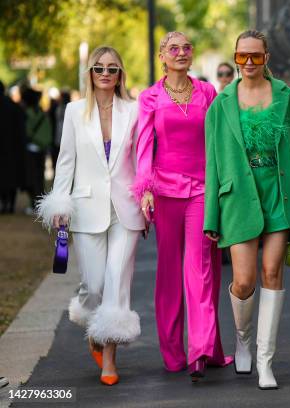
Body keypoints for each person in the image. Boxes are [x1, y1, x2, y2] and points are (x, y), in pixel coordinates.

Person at [204, 29, 290, 390]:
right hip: (238, 199)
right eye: (242, 57)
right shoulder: (221, 105)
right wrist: (211, 217)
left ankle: (266, 362)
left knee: (272, 273)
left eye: (256, 56)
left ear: (267, 58)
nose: (249, 63)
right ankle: (243, 337)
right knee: (244, 280)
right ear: (235, 58)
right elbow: (213, 166)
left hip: (278, 194)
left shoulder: (287, 98)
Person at [36, 46, 144, 386]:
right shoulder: (73, 111)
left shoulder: (134, 110)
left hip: (125, 209)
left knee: (116, 282)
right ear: (90, 73)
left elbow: (142, 161)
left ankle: (109, 358)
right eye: (99, 68)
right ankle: (94, 325)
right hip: (85, 208)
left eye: (112, 68)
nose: (106, 74)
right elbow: (66, 160)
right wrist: (59, 204)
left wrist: (147, 196)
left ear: (120, 73)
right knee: (94, 285)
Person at [133, 31, 232, 381]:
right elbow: (144, 145)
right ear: (162, 55)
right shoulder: (149, 97)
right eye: (173, 48)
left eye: (187, 47)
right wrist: (144, 188)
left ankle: (202, 350)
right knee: (170, 272)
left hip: (203, 189)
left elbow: (219, 140)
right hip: (164, 190)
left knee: (201, 266)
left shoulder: (207, 92)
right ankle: (173, 353)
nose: (181, 52)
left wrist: (223, 186)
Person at [22, 87, 52, 214]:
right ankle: (40, 205)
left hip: (29, 150)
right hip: (41, 149)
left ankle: (33, 204)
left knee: (30, 178)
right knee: (40, 178)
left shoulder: (25, 113)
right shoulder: (42, 113)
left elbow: (24, 131)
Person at [0, 81, 26, 214]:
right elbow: (21, 130)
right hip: (13, 149)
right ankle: (10, 205)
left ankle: (3, 204)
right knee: (12, 178)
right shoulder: (14, 107)